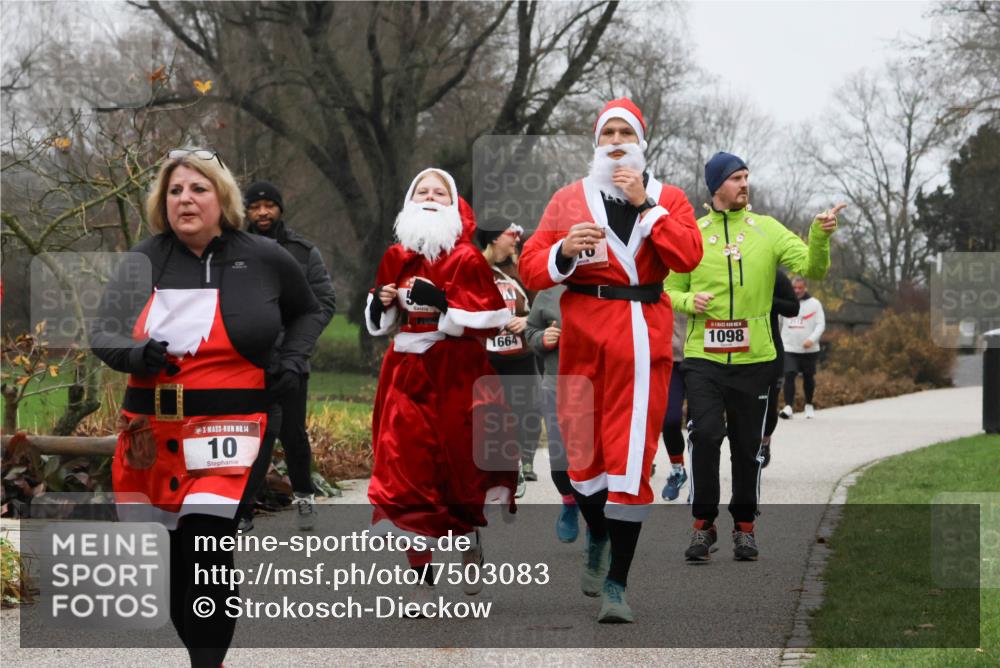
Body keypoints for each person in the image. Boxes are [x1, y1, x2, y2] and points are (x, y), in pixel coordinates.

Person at [90, 148, 323, 667]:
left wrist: (293, 358)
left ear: (222, 198)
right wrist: (134, 353)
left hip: (235, 424)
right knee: (170, 564)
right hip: (151, 430)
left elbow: (309, 310)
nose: (185, 199)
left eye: (197, 189)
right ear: (161, 203)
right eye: (174, 191)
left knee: (205, 548)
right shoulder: (143, 259)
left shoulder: (264, 256)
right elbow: (100, 333)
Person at [520, 98, 703, 623]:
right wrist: (564, 253)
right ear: (596, 143)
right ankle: (597, 533)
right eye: (608, 133)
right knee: (584, 460)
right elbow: (533, 266)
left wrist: (646, 204)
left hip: (643, 339)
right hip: (583, 338)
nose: (617, 140)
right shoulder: (568, 200)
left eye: (626, 132)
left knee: (629, 461)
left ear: (641, 142)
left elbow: (687, 256)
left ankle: (618, 584)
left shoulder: (668, 197)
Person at [665, 151, 843, 563]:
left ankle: (744, 528)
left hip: (755, 359)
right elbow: (667, 287)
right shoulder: (691, 232)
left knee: (747, 447)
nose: (745, 184)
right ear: (716, 187)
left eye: (747, 177)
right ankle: (702, 525)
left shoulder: (767, 230)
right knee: (705, 436)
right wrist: (691, 301)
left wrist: (820, 235)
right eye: (736, 178)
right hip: (704, 359)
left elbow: (811, 267)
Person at [366, 167, 517, 605]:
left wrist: (446, 305)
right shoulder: (396, 255)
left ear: (452, 205)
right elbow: (384, 318)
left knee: (459, 468)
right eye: (423, 191)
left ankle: (468, 539)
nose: (430, 197)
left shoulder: (467, 258)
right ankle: (420, 573)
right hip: (406, 372)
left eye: (440, 192)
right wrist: (381, 304)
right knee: (407, 471)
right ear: (411, 201)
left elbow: (488, 318)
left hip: (456, 373)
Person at [244, 180, 336, 530]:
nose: (263, 212)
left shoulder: (302, 251)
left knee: (293, 433)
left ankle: (305, 498)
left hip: (292, 360)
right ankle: (244, 508)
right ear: (247, 212)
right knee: (252, 434)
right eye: (255, 206)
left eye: (269, 205)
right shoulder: (233, 248)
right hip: (248, 360)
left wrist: (299, 344)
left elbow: (324, 302)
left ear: (280, 209)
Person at [477, 220, 542, 497]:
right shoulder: (474, 270)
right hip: (486, 355)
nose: (516, 240)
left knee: (523, 410)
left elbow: (542, 308)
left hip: (520, 355)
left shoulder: (520, 271)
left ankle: (517, 466)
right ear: (493, 239)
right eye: (509, 235)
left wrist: (526, 320)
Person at [524, 284, 579, 541]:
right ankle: (569, 502)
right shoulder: (548, 292)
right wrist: (542, 338)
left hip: (595, 387)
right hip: (556, 385)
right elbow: (530, 330)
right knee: (559, 461)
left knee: (592, 460)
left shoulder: (602, 285)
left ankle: (595, 519)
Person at [760, 270, 800, 467]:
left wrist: (768, 300)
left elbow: (793, 308)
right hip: (739, 350)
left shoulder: (774, 275)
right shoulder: (730, 270)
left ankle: (765, 441)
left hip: (772, 349)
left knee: (770, 402)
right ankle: (745, 447)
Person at [780, 276, 826, 420]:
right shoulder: (785, 302)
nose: (797, 290)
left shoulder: (815, 304)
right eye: (795, 288)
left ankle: (809, 405)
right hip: (789, 347)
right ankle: (788, 407)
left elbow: (820, 324)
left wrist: (811, 340)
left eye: (800, 288)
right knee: (789, 374)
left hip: (809, 349)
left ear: (805, 288)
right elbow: (779, 323)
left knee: (808, 377)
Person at [660, 311, 689, 500]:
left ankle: (700, 481)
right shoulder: (658, 281)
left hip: (702, 359)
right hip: (669, 361)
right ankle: (677, 470)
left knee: (701, 427)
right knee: (669, 420)